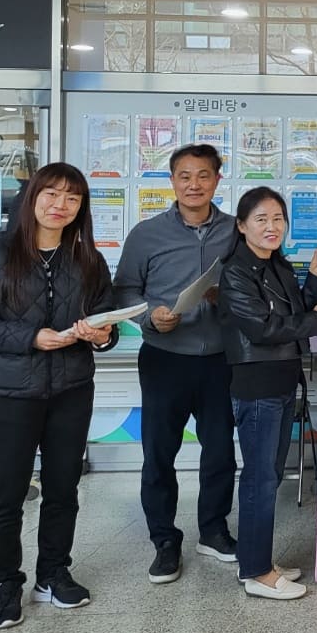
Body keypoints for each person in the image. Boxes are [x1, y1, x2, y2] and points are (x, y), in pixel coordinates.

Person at [0, 163, 117, 629]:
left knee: (64, 489)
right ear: (32, 198)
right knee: (7, 494)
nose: (60, 205)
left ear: (81, 208)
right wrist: (30, 338)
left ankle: (53, 574)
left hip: (71, 390)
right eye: (52, 194)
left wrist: (102, 335)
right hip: (11, 391)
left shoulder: (88, 260)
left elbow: (107, 319)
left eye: (72, 198)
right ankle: (6, 583)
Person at [114, 144, 239, 584]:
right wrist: (151, 316)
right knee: (159, 453)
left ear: (217, 180)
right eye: (184, 176)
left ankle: (214, 531)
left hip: (221, 359)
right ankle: (164, 540)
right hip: (164, 357)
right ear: (172, 181)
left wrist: (226, 299)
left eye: (203, 175)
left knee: (220, 451)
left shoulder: (236, 231)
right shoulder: (146, 234)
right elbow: (124, 290)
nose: (194, 184)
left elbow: (252, 285)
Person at [217, 187, 317, 600]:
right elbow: (263, 329)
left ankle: (257, 560)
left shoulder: (277, 265)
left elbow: (299, 310)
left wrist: (314, 277)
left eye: (278, 219)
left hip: (284, 380)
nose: (272, 227)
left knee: (268, 474)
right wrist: (314, 321)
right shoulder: (235, 272)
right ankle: (256, 572)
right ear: (241, 226)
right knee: (260, 478)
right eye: (261, 219)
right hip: (257, 384)